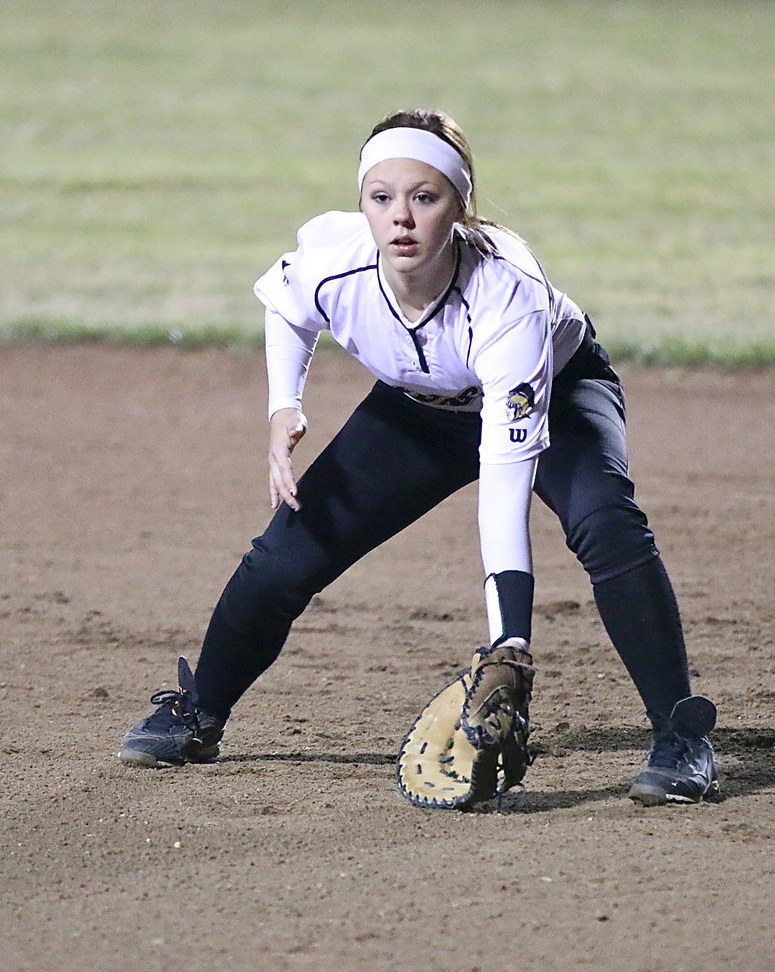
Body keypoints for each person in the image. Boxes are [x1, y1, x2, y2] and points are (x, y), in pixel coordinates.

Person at [118, 108, 719, 806]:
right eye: (381, 197)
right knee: (287, 553)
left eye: (424, 197)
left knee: (605, 523)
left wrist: (509, 643)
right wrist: (285, 403)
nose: (400, 217)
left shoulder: (507, 302)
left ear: (460, 207)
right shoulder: (334, 259)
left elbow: (504, 490)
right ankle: (200, 712)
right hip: (416, 410)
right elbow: (287, 307)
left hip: (552, 392)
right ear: (363, 203)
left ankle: (682, 736)